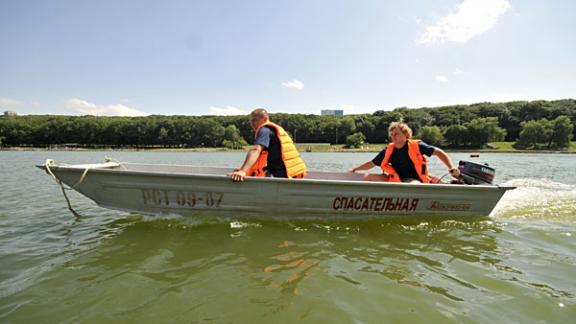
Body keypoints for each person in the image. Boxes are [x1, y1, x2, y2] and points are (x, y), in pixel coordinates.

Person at [349, 122, 460, 183]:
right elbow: (372, 163)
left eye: (396, 134)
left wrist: (451, 167)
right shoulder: (389, 149)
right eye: (392, 135)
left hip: (415, 180)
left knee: (413, 186)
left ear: (405, 134)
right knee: (366, 177)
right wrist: (355, 169)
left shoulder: (417, 145)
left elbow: (439, 153)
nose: (393, 137)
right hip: (396, 179)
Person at [229, 108, 307, 182]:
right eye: (251, 121)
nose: (252, 123)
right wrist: (244, 169)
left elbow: (256, 150)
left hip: (284, 175)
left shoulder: (264, 130)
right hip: (293, 172)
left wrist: (242, 171)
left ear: (265, 118)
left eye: (255, 120)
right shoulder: (273, 130)